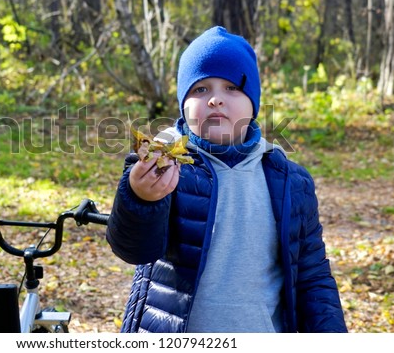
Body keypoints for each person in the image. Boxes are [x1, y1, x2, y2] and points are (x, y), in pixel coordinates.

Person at [106, 26, 347, 333]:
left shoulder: (290, 180)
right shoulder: (160, 164)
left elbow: (313, 278)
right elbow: (133, 249)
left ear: (253, 102)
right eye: (200, 89)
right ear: (183, 103)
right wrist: (141, 197)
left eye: (232, 88)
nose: (215, 100)